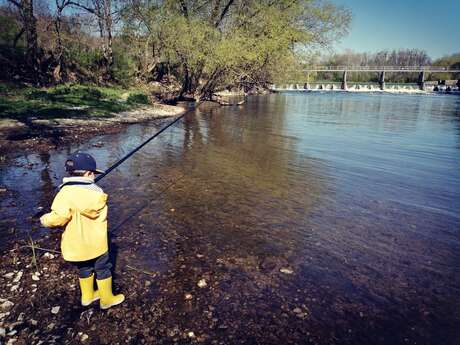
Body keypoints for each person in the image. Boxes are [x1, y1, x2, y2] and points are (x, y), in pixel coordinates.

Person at [40, 151, 124, 309]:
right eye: (92, 175)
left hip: (77, 246)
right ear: (89, 174)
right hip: (97, 245)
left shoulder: (63, 194)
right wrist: (90, 186)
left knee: (84, 268)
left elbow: (58, 218)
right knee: (103, 269)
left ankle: (88, 296)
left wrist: (44, 220)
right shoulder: (97, 193)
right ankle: (107, 299)